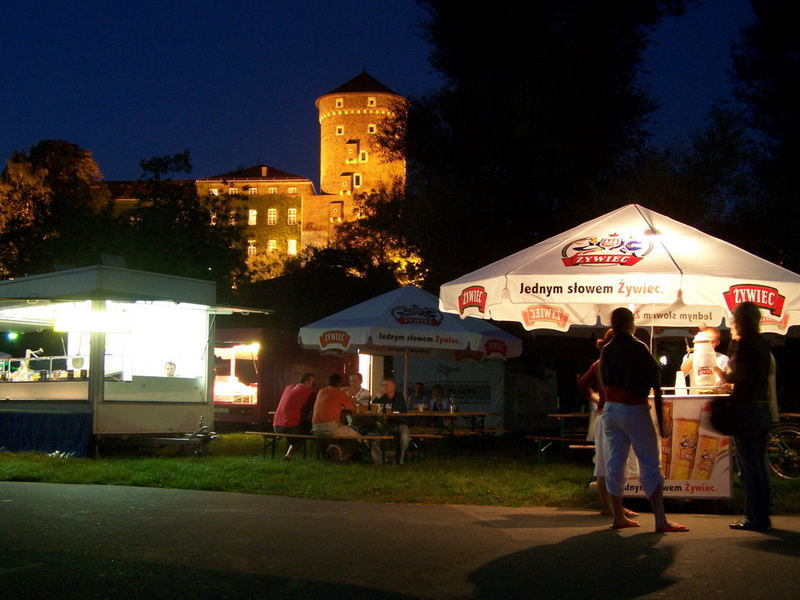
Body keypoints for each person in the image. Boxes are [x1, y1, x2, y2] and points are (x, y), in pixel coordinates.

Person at [599, 307, 688, 533]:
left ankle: (618, 516)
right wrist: (661, 417)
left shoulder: (606, 350)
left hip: (611, 409)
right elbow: (656, 386)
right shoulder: (638, 347)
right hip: (634, 408)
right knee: (649, 462)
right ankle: (660, 519)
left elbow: (603, 381)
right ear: (631, 324)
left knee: (615, 462)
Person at [717, 302, 773, 531]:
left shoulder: (745, 344)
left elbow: (735, 375)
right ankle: (765, 510)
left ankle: (756, 518)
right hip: (762, 408)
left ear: (739, 320)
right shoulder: (763, 343)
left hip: (747, 409)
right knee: (759, 463)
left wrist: (726, 370)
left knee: (749, 467)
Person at [578, 330, 638, 519]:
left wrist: (595, 397)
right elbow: (583, 384)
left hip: (604, 415)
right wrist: (595, 397)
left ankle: (610, 506)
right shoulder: (608, 363)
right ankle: (613, 507)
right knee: (614, 462)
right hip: (611, 414)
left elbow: (583, 384)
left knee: (606, 463)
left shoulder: (602, 362)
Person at [311, 373, 361, 461]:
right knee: (357, 436)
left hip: (315, 428)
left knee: (343, 430)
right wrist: (349, 397)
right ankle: (342, 456)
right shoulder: (339, 393)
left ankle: (334, 449)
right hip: (330, 427)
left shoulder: (321, 391)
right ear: (339, 383)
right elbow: (352, 408)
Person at [273, 373, 315, 460]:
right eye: (312, 383)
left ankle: (288, 456)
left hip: (276, 425)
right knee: (311, 431)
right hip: (290, 426)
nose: (312, 386)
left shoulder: (288, 387)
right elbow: (312, 408)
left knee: (300, 434)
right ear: (306, 382)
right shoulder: (308, 392)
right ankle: (288, 456)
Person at [375, 378, 411, 465]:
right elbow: (373, 406)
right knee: (373, 439)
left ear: (393, 387)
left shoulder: (399, 396)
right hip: (386, 425)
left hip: (400, 423)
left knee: (405, 438)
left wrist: (385, 413)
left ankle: (400, 460)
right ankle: (383, 461)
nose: (385, 387)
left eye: (387, 385)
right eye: (383, 385)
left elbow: (396, 410)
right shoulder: (381, 396)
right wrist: (379, 394)